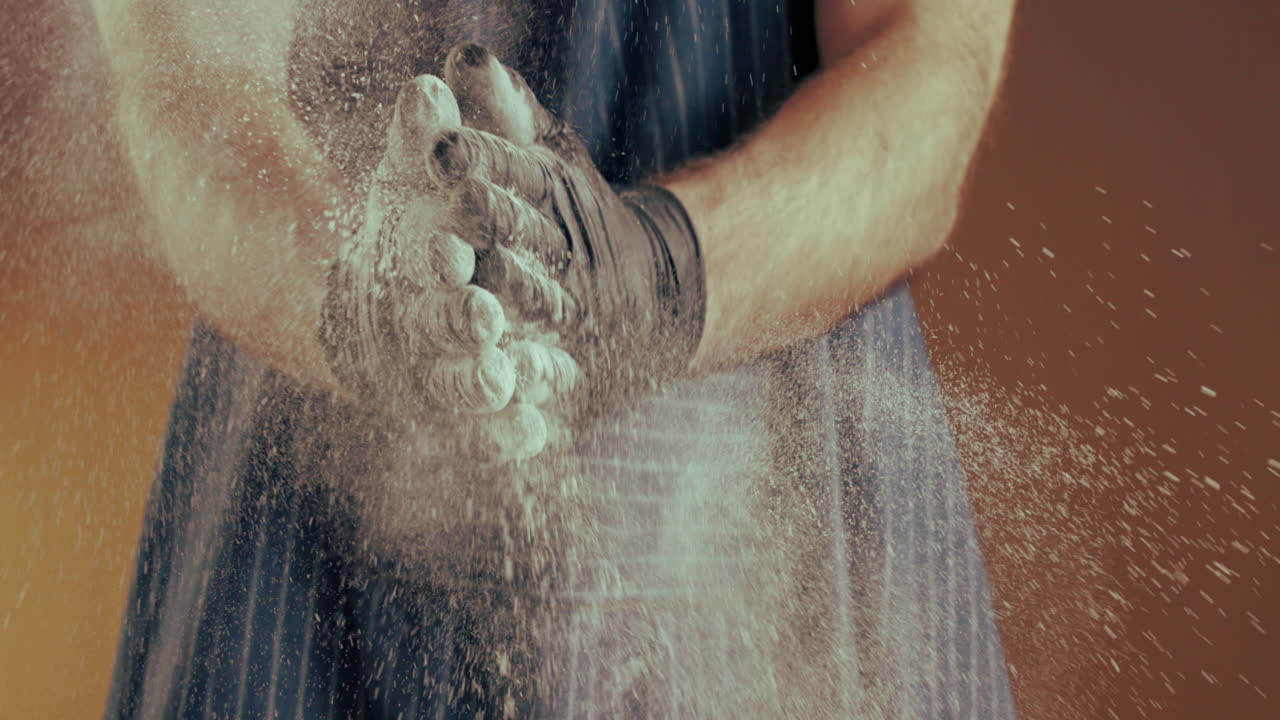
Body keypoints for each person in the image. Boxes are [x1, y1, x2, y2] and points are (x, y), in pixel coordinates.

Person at [92, 0, 1017, 716]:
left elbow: (927, 64)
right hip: (306, 493)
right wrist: (353, 303)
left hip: (781, 449)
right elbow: (184, 75)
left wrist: (663, 272)